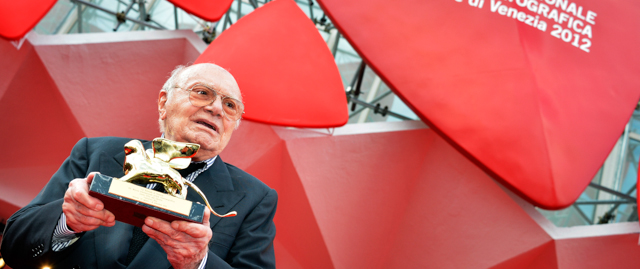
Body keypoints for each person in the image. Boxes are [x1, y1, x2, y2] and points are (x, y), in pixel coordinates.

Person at [0, 63, 278, 269]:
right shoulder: (95, 152)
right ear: (163, 103)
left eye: (230, 105)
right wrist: (66, 222)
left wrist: (199, 262)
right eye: (202, 93)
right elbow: (14, 246)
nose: (216, 108)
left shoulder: (255, 199)